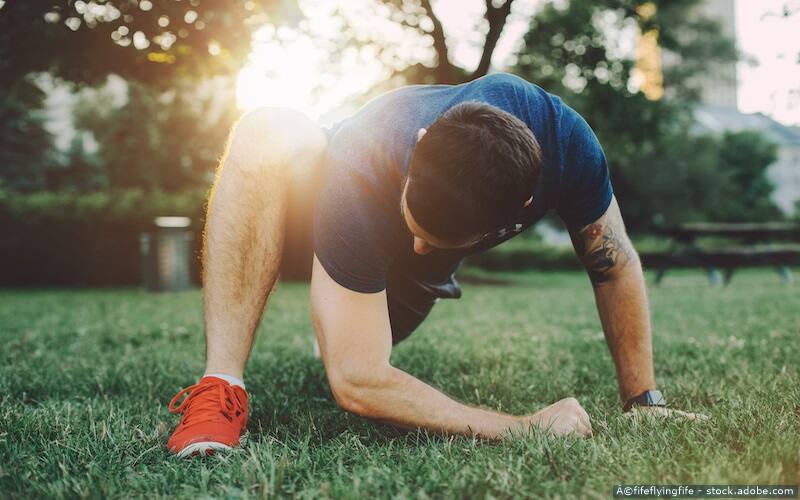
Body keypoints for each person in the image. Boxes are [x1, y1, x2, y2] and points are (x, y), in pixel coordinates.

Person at [165, 72, 704, 458]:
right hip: (322, 209)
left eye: (440, 239)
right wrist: (522, 427)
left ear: (521, 209)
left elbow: (613, 263)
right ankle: (221, 385)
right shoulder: (364, 158)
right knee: (269, 127)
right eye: (416, 226)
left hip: (415, 288)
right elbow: (356, 383)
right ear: (420, 146)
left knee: (363, 334)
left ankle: (345, 317)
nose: (421, 245)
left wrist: (644, 400)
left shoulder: (568, 146)